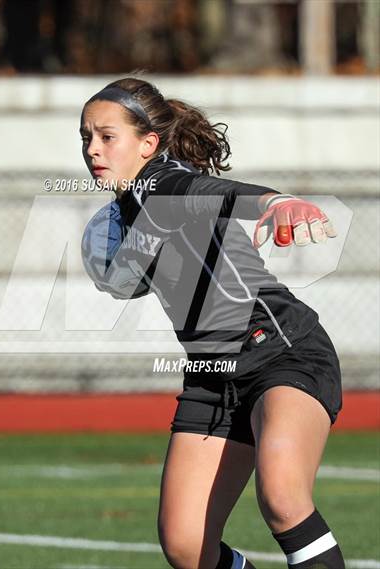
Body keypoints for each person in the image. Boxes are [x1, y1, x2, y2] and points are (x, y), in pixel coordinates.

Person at [80, 78, 344, 569]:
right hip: (211, 374)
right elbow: (124, 277)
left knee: (284, 499)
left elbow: (209, 191)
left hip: (279, 350)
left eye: (107, 136)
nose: (93, 149)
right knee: (185, 545)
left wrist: (272, 202)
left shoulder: (161, 181)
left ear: (148, 144)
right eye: (86, 138)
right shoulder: (126, 210)